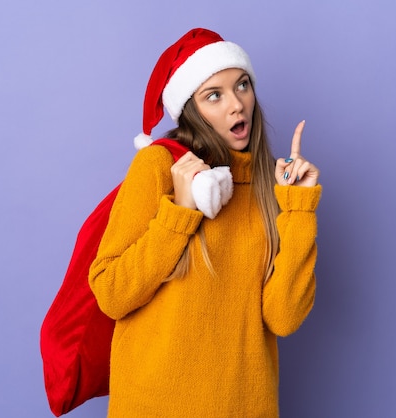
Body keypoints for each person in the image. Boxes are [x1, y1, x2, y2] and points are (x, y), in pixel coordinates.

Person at [89, 28, 321, 417]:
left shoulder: (271, 183)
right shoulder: (159, 166)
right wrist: (180, 212)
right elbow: (112, 293)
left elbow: (283, 317)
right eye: (214, 95)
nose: (237, 105)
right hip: (153, 405)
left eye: (242, 86)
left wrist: (299, 208)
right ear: (192, 110)